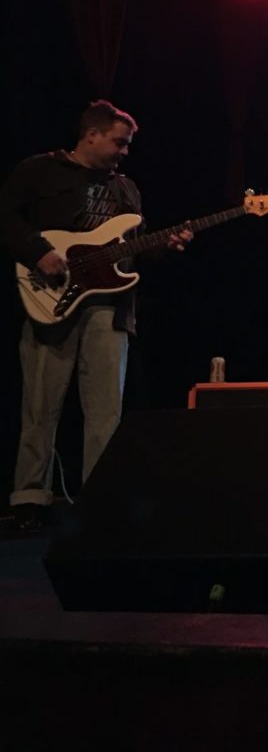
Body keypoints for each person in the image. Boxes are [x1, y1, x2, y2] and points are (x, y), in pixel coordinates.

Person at [0, 100, 191, 532]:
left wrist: (165, 246)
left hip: (109, 307)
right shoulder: (40, 170)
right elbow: (5, 215)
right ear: (91, 135)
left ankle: (99, 499)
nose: (125, 152)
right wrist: (39, 252)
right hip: (50, 298)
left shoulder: (127, 189)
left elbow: (133, 251)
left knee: (106, 409)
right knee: (39, 404)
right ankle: (30, 500)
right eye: (119, 143)